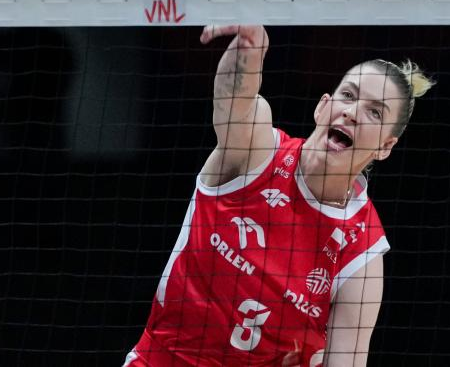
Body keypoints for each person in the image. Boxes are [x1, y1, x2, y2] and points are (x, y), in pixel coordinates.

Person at [125, 24, 433, 367]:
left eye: (375, 112)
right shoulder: (258, 151)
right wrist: (248, 51)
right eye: (348, 95)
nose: (352, 112)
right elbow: (233, 102)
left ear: (385, 147)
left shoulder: (362, 251)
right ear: (322, 107)